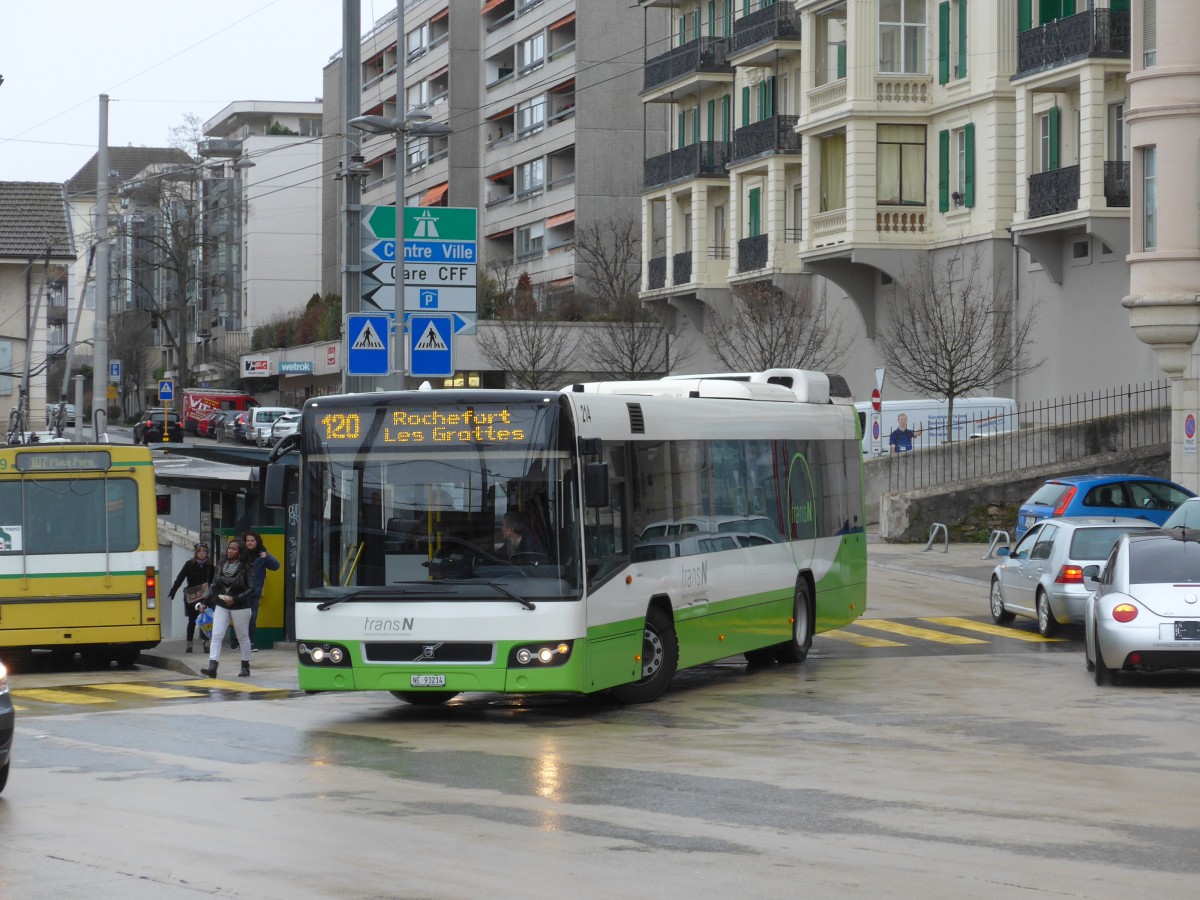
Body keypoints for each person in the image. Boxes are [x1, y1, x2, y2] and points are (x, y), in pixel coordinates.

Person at [199, 539, 254, 679]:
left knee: (242, 637)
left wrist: (235, 599)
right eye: (229, 548)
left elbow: (252, 588)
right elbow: (213, 586)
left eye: (234, 549)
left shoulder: (245, 567)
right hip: (221, 604)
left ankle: (245, 667)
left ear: (240, 552)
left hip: (240, 606)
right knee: (216, 635)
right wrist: (204, 602)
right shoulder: (221, 564)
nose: (230, 551)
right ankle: (212, 666)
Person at [167, 542, 215, 653]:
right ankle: (189, 642)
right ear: (196, 553)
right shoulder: (189, 564)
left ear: (207, 553)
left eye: (204, 551)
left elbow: (213, 582)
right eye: (199, 551)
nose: (201, 553)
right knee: (192, 620)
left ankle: (206, 642)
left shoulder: (210, 566)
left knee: (205, 619)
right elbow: (180, 578)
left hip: (205, 595)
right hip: (192, 595)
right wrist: (173, 591)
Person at [240, 530, 280, 652]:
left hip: (254, 592)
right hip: (240, 591)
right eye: (248, 541)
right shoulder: (241, 553)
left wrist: (267, 556)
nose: (250, 543)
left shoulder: (262, 553)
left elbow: (276, 566)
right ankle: (240, 641)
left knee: (252, 619)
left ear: (257, 542)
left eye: (252, 540)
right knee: (240, 618)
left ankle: (251, 642)